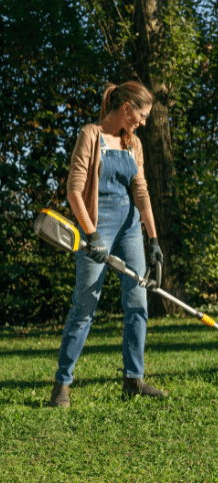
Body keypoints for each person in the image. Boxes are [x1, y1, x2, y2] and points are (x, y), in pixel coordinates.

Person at [50, 81, 166, 407]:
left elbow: (140, 192)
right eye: (140, 115)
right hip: (96, 228)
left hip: (129, 229)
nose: (142, 122)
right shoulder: (90, 135)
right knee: (85, 306)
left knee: (137, 304)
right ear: (127, 107)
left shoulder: (134, 144)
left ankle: (133, 378)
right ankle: (62, 383)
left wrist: (153, 239)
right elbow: (74, 191)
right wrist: (92, 235)